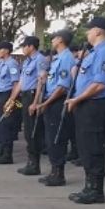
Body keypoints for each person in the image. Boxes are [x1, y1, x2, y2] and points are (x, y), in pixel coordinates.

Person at [67, 16, 105, 204]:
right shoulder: (94, 52)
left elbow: (100, 84)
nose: (87, 33)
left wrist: (77, 99)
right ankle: (89, 186)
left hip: (94, 105)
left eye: (89, 30)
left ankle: (96, 189)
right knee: (85, 146)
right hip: (85, 104)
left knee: (94, 146)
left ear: (97, 31)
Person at [35, 30, 75, 186]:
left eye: (53, 38)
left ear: (60, 40)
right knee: (50, 138)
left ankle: (59, 174)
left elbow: (62, 87)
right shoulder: (57, 58)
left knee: (57, 138)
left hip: (57, 101)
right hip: (50, 100)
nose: (51, 41)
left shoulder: (66, 58)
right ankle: (53, 171)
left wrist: (45, 103)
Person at [16, 36, 49, 175]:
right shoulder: (26, 62)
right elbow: (22, 81)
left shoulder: (40, 60)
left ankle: (35, 165)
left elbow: (41, 82)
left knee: (34, 131)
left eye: (24, 46)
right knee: (28, 132)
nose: (23, 49)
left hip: (33, 95)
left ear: (31, 46)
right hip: (25, 96)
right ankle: (31, 162)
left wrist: (36, 103)